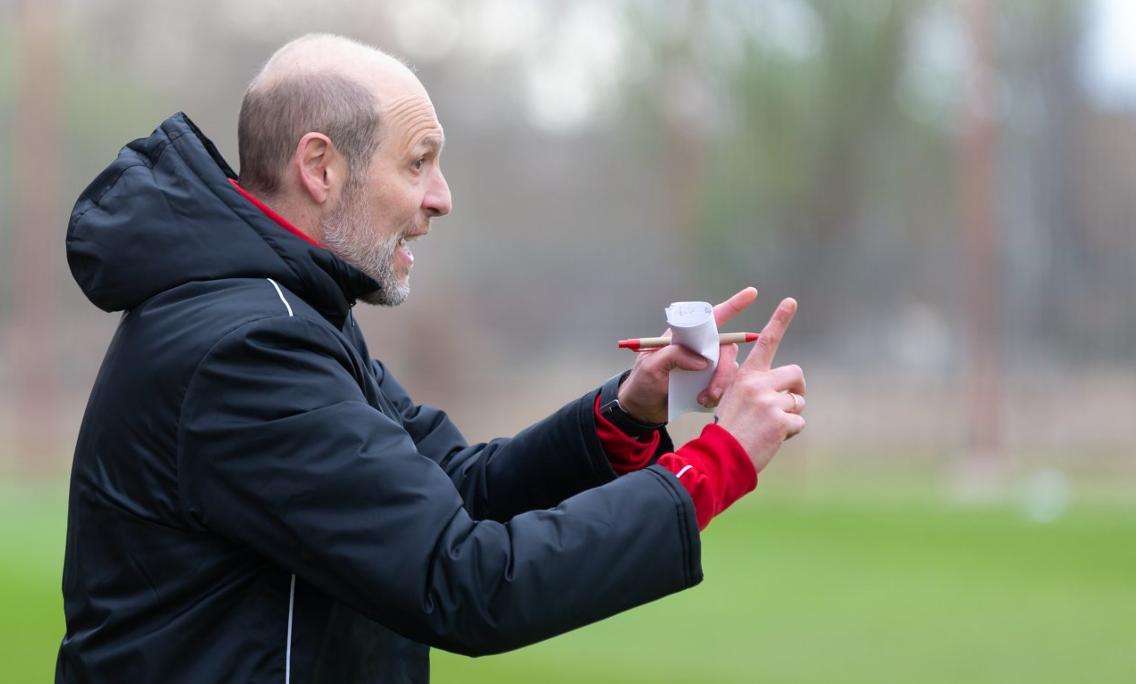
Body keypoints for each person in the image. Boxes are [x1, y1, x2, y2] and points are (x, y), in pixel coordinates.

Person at [57, 34, 807, 683]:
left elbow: (455, 489)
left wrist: (623, 412)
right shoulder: (247, 349)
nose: (442, 197)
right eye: (418, 164)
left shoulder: (289, 315)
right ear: (321, 168)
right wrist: (715, 463)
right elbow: (466, 579)